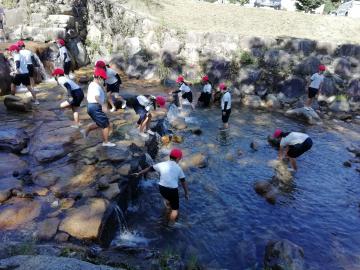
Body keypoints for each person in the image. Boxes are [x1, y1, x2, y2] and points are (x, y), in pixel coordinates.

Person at [132, 148, 189, 224]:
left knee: (168, 202)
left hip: (162, 188)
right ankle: (171, 224)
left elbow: (149, 168)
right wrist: (186, 193)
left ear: (170, 156)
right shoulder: (178, 169)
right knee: (175, 209)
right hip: (172, 190)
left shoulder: (161, 164)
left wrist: (139, 173)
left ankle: (167, 211)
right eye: (180, 159)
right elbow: (183, 182)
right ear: (178, 158)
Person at [81, 68, 115, 147]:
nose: (103, 80)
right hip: (95, 107)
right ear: (99, 77)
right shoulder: (95, 86)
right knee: (105, 125)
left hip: (92, 107)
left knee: (101, 123)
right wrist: (103, 105)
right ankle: (105, 142)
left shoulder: (92, 84)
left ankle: (87, 130)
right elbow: (96, 97)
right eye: (103, 78)